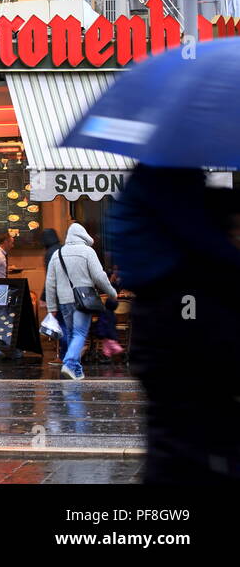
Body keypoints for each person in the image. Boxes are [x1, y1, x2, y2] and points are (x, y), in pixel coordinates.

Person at [107, 166, 240, 482]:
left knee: (180, 433)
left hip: (165, 324)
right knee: (188, 437)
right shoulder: (166, 181)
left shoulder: (147, 185)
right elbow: (205, 244)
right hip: (181, 319)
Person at [43, 222, 118, 380]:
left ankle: (75, 369)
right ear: (83, 236)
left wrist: (51, 307)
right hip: (83, 300)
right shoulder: (87, 252)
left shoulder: (58, 254)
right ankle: (69, 363)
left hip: (64, 301)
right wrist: (112, 292)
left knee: (72, 334)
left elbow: (50, 283)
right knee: (79, 333)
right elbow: (99, 276)